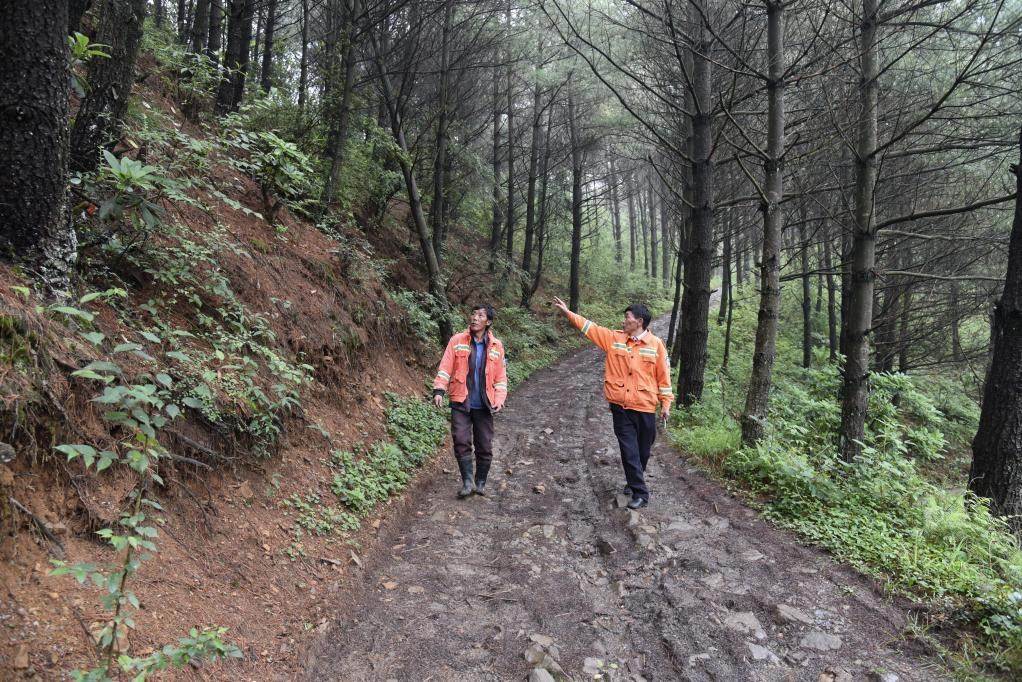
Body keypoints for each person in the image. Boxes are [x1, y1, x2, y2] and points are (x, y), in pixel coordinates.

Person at [551, 297, 673, 509]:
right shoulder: (614, 339)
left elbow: (664, 378)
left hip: (645, 406)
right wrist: (568, 313)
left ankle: (634, 480)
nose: (623, 321)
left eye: (627, 317)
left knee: (643, 450)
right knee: (629, 450)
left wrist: (666, 404)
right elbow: (590, 327)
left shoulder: (656, 346)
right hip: (621, 407)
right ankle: (641, 493)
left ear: (639, 321)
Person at [433, 304, 508, 498]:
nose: (475, 318)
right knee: (460, 440)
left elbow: (500, 377)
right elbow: (445, 366)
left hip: (484, 404)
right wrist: (439, 390)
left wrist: (499, 398)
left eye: (480, 315)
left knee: (484, 445)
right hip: (460, 401)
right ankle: (468, 482)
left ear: (488, 322)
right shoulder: (457, 340)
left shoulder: (496, 346)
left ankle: (480, 482)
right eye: (473, 314)